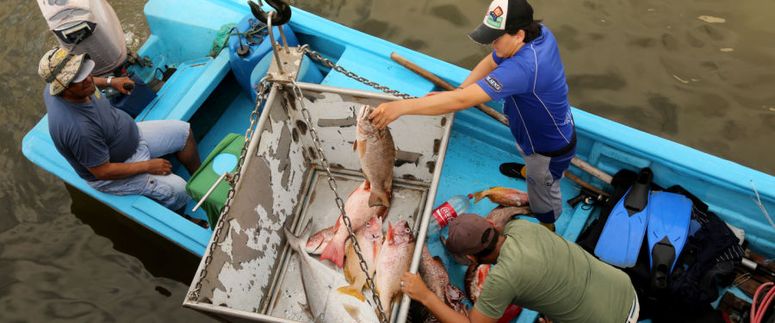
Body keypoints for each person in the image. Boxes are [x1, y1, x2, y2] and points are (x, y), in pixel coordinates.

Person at [369, 0, 575, 231]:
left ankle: (547, 226)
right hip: (537, 130)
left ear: (518, 34)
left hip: (547, 148)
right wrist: (461, 90)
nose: (492, 44)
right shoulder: (538, 34)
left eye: (496, 38)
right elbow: (489, 64)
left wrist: (401, 107)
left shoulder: (523, 68)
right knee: (532, 162)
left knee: (542, 193)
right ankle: (531, 171)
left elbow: (460, 103)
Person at [38, 47, 201, 212]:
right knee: (180, 189)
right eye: (77, 78)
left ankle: (199, 179)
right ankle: (183, 215)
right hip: (114, 169)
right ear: (62, 87)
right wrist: (148, 166)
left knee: (183, 132)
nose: (88, 79)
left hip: (130, 134)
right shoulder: (79, 130)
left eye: (83, 70)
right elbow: (102, 171)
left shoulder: (57, 86)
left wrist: (111, 82)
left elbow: (84, 79)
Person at [401, 214, 639, 323]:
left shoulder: (502, 279)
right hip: (625, 289)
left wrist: (425, 295)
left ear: (471, 257)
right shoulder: (522, 227)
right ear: (492, 225)